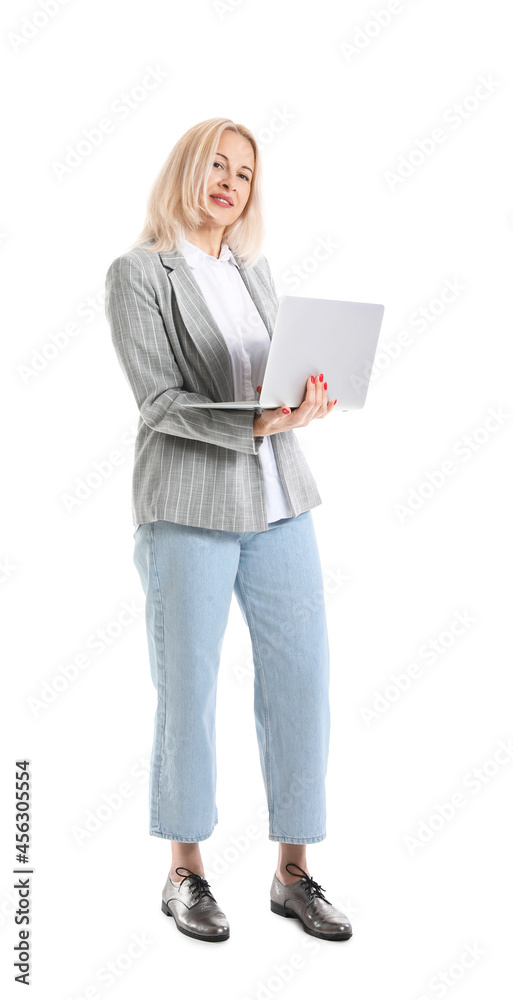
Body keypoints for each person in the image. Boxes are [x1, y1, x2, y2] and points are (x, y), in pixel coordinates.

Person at [104, 117, 352, 944]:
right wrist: (259, 420)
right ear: (185, 169)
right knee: (188, 688)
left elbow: (270, 392)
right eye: (216, 164)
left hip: (279, 498)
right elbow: (161, 403)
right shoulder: (139, 272)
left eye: (244, 173)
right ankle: (185, 872)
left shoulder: (252, 271)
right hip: (188, 504)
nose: (229, 182)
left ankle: (292, 874)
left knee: (301, 684)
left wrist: (300, 406)